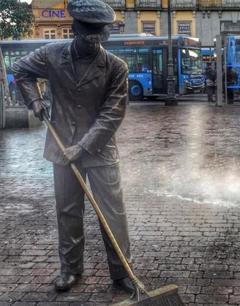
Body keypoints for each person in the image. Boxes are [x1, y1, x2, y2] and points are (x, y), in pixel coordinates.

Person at [12, 0, 134, 294]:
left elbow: (112, 114)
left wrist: (81, 147)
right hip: (60, 146)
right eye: (89, 37)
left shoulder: (116, 68)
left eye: (99, 38)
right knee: (68, 212)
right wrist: (34, 100)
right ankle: (70, 269)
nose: (94, 44)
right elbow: (20, 70)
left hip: (100, 150)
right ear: (76, 31)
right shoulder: (52, 54)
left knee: (112, 213)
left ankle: (122, 272)